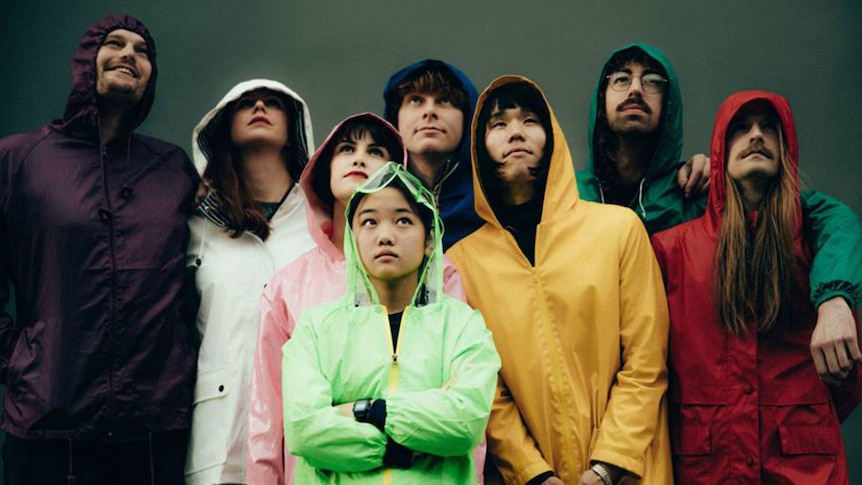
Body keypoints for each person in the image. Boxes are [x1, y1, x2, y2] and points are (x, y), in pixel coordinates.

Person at [579, 42, 862, 384]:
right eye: (621, 79)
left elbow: (828, 216)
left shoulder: (694, 189)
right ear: (602, 98)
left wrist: (834, 297)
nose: (636, 89)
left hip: (662, 386)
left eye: (652, 81)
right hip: (585, 374)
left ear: (669, 107)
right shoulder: (568, 192)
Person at [0, 14, 197, 484]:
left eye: (142, 50)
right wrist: (24, 363)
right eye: (115, 43)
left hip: (153, 428)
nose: (129, 53)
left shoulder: (171, 169)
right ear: (88, 59)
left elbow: (200, 275)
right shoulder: (20, 159)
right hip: (49, 424)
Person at [446, 76, 671, 484]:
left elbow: (646, 360)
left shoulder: (619, 230)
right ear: (479, 148)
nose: (516, 131)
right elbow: (483, 388)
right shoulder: (461, 264)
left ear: (552, 137)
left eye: (530, 120)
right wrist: (533, 475)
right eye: (498, 124)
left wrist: (606, 467)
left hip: (630, 472)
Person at [651, 91, 861, 484]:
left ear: (787, 149)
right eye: (741, 128)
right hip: (706, 468)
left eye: (769, 128)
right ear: (719, 149)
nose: (756, 135)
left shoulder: (814, 241)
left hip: (804, 470)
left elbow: (848, 377)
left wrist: (802, 417)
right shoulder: (672, 249)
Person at [247, 113, 470, 484]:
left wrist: (353, 412)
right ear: (323, 170)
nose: (359, 158)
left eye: (375, 150)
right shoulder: (287, 287)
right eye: (346, 149)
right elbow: (269, 416)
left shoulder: (438, 274)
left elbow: (463, 405)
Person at [282, 162, 500, 484]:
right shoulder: (316, 328)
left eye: (403, 221)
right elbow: (303, 430)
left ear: (429, 240)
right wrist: (410, 440)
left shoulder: (462, 326)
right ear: (352, 239)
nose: (385, 235)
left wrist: (366, 411)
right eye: (369, 222)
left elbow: (464, 423)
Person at [185, 79, 315, 484]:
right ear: (225, 125)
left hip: (308, 426)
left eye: (273, 102)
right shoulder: (197, 225)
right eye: (246, 104)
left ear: (293, 128)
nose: (260, 107)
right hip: (222, 424)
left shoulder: (322, 224)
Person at [383, 59, 484, 250]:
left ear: (468, 118)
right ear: (395, 118)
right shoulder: (371, 200)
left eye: (444, 101)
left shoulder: (494, 202)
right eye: (416, 100)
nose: (429, 111)